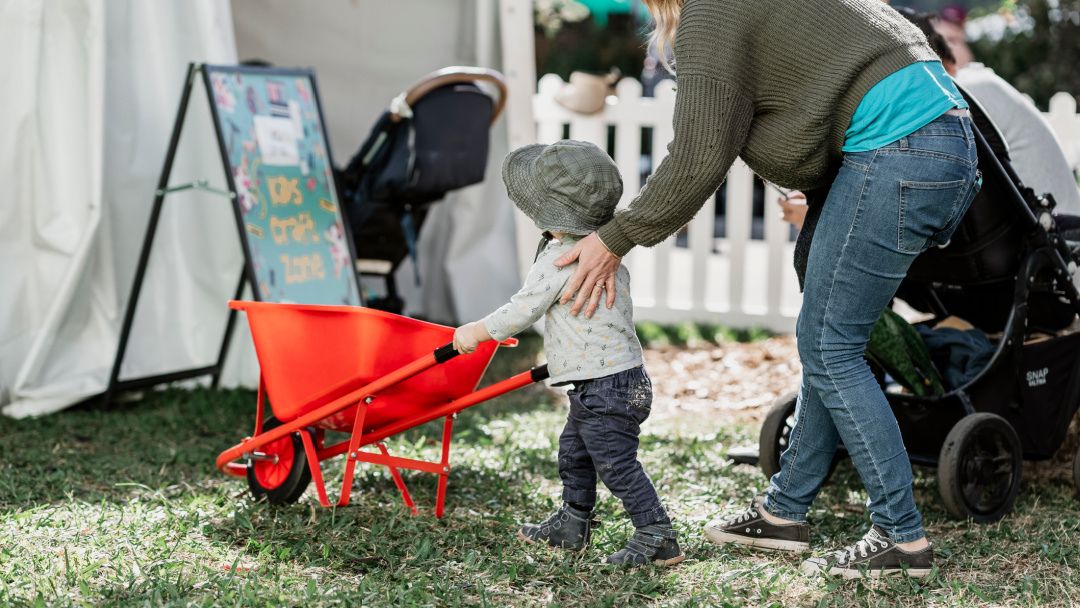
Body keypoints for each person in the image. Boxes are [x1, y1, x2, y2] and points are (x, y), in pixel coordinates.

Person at [553, 0, 981, 578]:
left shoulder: (710, 12)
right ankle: (784, 513)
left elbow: (698, 156)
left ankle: (901, 539)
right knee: (828, 342)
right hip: (931, 145)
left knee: (831, 346)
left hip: (900, 151)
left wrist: (615, 237)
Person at [452, 140, 684, 567]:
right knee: (574, 453)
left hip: (604, 387)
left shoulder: (561, 257)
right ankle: (572, 524)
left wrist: (477, 332)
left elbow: (523, 309)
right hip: (618, 382)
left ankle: (657, 535)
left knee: (615, 465)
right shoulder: (605, 256)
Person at [779, 9, 1080, 228]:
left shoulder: (965, 94)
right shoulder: (978, 89)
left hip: (1045, 261)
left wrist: (827, 217)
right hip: (1041, 256)